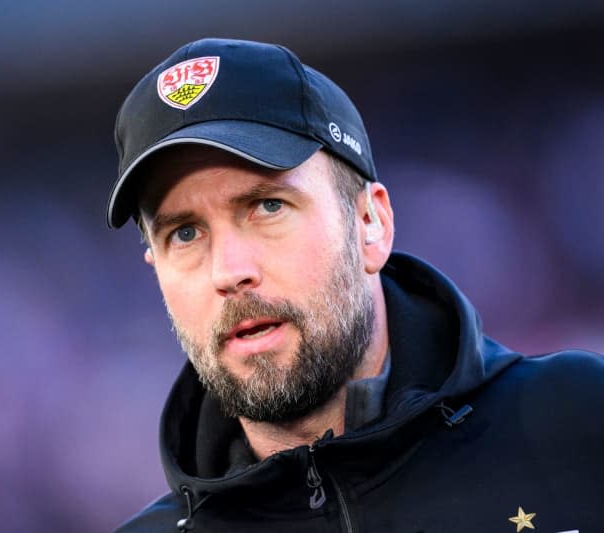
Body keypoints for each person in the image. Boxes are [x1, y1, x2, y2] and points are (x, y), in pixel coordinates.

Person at [106, 38, 603, 533]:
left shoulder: (581, 422)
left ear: (370, 223)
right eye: (185, 233)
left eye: (267, 206)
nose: (229, 271)